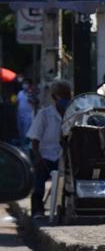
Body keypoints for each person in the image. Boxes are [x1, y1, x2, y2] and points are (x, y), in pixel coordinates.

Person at [27, 80, 71, 218]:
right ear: (55, 97)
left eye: (67, 96)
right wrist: (38, 158)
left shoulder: (72, 115)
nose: (66, 99)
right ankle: (37, 209)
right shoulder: (44, 114)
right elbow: (35, 139)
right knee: (39, 176)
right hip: (47, 157)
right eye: (63, 96)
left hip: (65, 158)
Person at [16, 79, 34, 148]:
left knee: (26, 131)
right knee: (20, 130)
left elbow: (35, 103)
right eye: (23, 83)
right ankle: (22, 145)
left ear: (29, 85)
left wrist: (30, 99)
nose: (24, 85)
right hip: (20, 114)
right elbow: (17, 103)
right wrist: (16, 112)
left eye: (26, 83)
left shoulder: (31, 93)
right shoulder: (20, 93)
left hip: (28, 115)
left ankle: (27, 146)